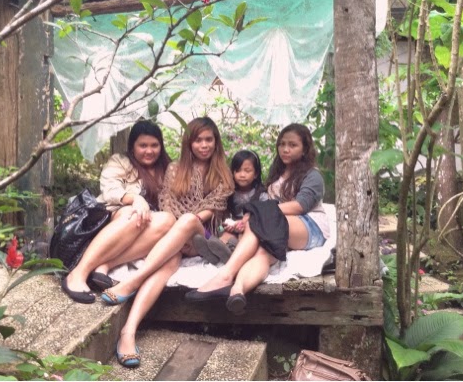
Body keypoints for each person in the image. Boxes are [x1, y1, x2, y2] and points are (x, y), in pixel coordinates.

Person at [102, 116, 233, 368]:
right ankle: (129, 331)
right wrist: (178, 234)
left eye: (209, 140)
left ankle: (133, 281)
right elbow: (167, 204)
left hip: (203, 236)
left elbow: (210, 210)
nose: (204, 145)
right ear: (189, 142)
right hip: (176, 236)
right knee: (168, 262)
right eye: (198, 140)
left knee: (189, 220)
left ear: (216, 142)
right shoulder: (175, 169)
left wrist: (184, 230)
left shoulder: (223, 173)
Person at [185, 123, 328, 314]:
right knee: (263, 252)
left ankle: (225, 276)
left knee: (258, 220)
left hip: (310, 226)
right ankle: (237, 290)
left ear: (304, 149)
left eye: (292, 145)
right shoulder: (278, 173)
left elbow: (299, 206)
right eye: (282, 144)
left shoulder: (312, 175)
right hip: (278, 226)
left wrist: (258, 211)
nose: (285, 149)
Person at [61, 120, 175, 304]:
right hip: (117, 220)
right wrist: (136, 199)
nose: (149, 150)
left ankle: (105, 265)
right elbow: (109, 190)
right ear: (132, 146)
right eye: (143, 145)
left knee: (169, 220)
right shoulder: (120, 161)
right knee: (133, 213)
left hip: (148, 231)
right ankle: (78, 273)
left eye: (154, 145)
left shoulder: (168, 169)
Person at [193, 149, 269, 264]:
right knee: (222, 233)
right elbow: (223, 215)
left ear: (256, 174)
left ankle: (231, 252)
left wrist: (244, 224)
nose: (242, 175)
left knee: (241, 237)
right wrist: (226, 225)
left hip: (251, 229)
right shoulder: (229, 192)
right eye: (238, 170)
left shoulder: (261, 194)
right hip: (231, 227)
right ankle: (214, 252)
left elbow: (264, 216)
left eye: (247, 171)